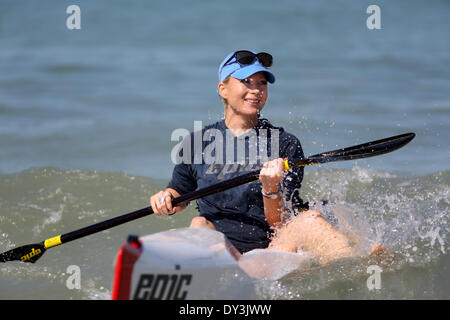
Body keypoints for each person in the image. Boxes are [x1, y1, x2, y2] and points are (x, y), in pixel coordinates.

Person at [150, 50, 388, 265]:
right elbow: (179, 194)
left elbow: (279, 224)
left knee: (310, 219)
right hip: (222, 257)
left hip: (273, 253)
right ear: (223, 88)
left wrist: (270, 189)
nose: (256, 90)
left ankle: (358, 266)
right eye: (246, 82)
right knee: (199, 225)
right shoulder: (196, 143)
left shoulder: (285, 144)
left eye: (262, 83)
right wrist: (166, 199)